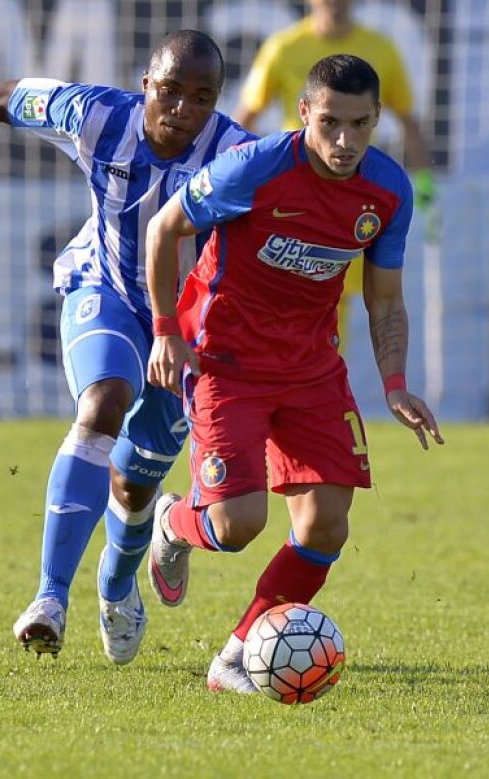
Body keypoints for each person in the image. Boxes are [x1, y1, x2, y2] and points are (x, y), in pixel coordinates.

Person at [0, 31, 253, 664]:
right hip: (107, 287)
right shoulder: (96, 114)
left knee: (135, 485)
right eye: (170, 91)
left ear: (217, 102)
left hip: (190, 325)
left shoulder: (237, 153)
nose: (182, 109)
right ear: (146, 84)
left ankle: (117, 589)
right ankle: (48, 598)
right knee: (102, 403)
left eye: (201, 98)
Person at [144, 54, 442, 692]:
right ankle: (172, 522)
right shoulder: (255, 169)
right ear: (304, 112)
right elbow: (165, 228)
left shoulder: (388, 191)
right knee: (236, 526)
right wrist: (168, 330)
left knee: (326, 526)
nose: (345, 141)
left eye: (360, 125)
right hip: (227, 363)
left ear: (376, 119)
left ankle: (234, 658)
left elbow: (385, 298)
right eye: (330, 122)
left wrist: (395, 384)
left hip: (312, 371)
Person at [234, 0, 436, 346]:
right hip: (288, 199)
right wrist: (236, 181)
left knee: (332, 310)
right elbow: (245, 117)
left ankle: (322, 392)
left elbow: (408, 120)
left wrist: (428, 185)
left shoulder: (381, 49)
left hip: (347, 200)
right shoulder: (283, 48)